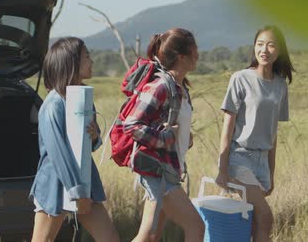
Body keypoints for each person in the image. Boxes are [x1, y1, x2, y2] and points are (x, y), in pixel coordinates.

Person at [29, 37, 119, 242]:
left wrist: (94, 137)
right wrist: (77, 191)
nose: (92, 61)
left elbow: (90, 144)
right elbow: (57, 153)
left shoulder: (83, 98)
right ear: (71, 63)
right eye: (86, 57)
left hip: (84, 180)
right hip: (56, 184)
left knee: (110, 238)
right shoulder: (53, 104)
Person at [124, 28, 204, 242]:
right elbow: (131, 125)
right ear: (181, 56)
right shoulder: (160, 86)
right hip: (158, 170)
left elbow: (169, 123)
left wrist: (184, 138)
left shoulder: (181, 89)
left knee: (150, 236)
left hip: (168, 169)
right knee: (196, 226)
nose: (198, 53)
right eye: (194, 49)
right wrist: (165, 138)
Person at [215, 25, 294, 242]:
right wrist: (222, 168)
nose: (264, 50)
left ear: (279, 51)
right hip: (240, 158)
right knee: (265, 216)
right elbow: (227, 127)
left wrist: (272, 171)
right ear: (254, 48)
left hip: (263, 162)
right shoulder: (240, 78)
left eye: (270, 45)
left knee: (254, 224)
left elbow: (273, 132)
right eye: (260, 44)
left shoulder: (280, 85)